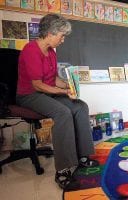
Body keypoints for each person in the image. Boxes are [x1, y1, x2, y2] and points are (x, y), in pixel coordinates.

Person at [16, 14, 97, 190]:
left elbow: (53, 79)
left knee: (80, 106)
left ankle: (83, 156)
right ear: (51, 33)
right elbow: (37, 85)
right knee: (63, 112)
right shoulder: (30, 50)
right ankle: (62, 170)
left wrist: (69, 86)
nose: (63, 40)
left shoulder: (51, 52)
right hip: (29, 95)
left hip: (47, 91)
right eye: (62, 35)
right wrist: (63, 92)